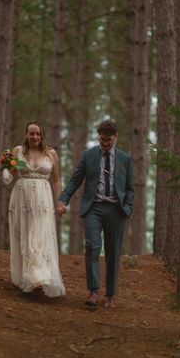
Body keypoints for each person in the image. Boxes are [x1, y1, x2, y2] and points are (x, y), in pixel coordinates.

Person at [56, 119, 134, 308]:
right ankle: (93, 291)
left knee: (113, 252)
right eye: (101, 140)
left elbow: (130, 188)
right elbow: (75, 180)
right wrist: (63, 199)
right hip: (94, 208)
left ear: (115, 137)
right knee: (92, 246)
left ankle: (110, 294)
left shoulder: (125, 159)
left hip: (116, 210)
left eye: (108, 140)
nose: (104, 144)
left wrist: (127, 208)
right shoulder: (89, 155)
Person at [2, 121, 65, 298]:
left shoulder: (51, 154)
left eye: (38, 133)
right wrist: (6, 171)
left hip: (43, 200)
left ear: (42, 135)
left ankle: (40, 277)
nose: (35, 137)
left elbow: (56, 180)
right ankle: (29, 277)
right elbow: (11, 172)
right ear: (26, 135)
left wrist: (60, 202)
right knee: (24, 234)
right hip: (22, 199)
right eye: (31, 133)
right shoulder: (18, 151)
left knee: (40, 235)